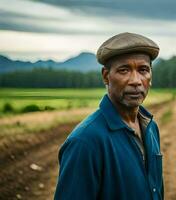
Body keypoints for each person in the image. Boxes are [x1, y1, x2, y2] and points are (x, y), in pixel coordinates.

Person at [54, 32, 164, 200]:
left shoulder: (150, 127)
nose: (136, 80)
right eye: (124, 70)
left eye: (143, 70)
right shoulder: (85, 141)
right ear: (106, 76)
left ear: (151, 76)